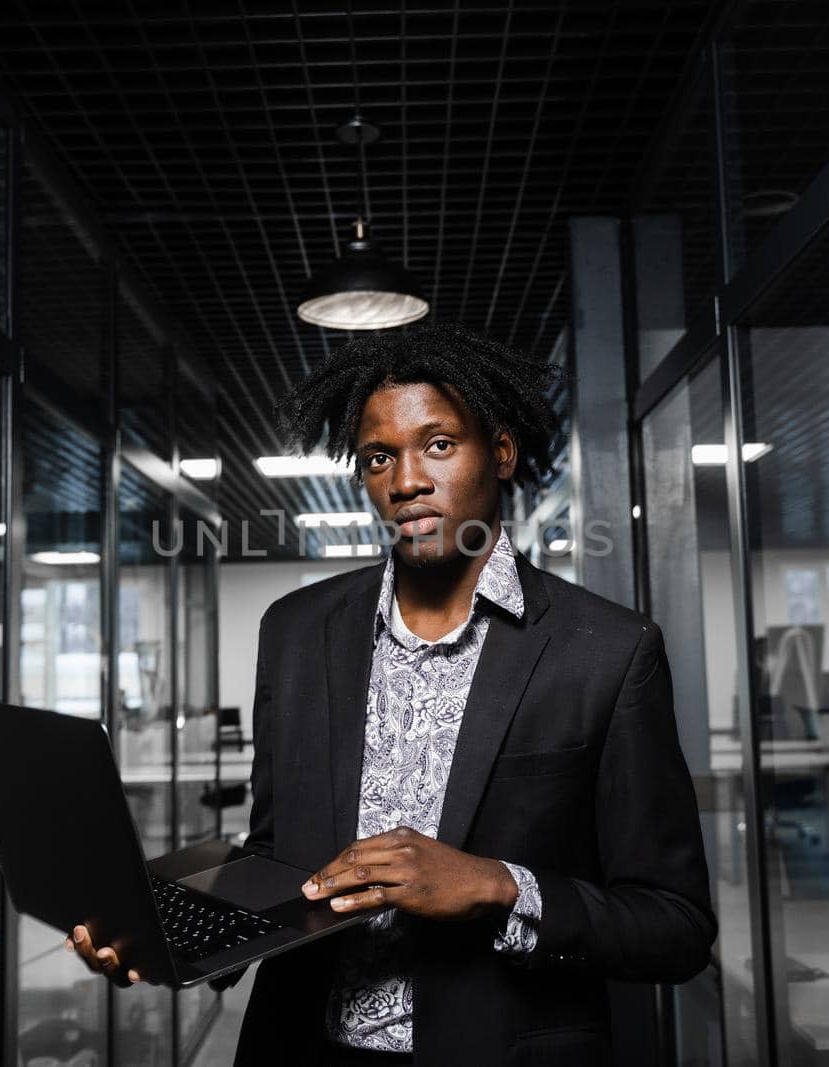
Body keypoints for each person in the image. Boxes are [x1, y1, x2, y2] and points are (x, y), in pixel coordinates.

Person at [68, 321, 714, 1065]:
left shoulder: (609, 650)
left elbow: (675, 925)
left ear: (500, 451)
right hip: (302, 1045)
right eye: (380, 456)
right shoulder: (295, 631)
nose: (406, 479)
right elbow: (277, 851)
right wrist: (184, 930)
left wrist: (496, 885)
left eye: (438, 443)